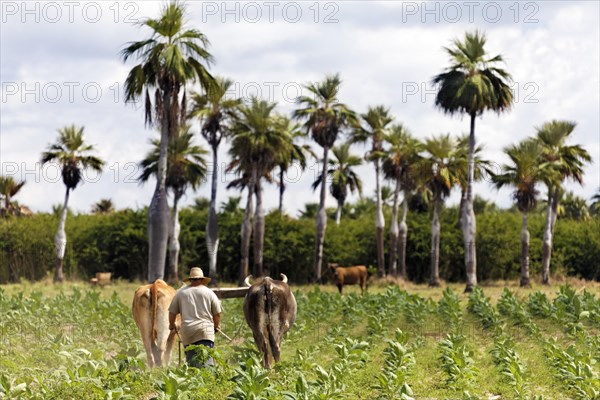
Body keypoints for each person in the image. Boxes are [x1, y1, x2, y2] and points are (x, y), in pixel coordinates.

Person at [169, 267, 223, 367]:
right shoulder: (210, 293)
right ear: (202, 280)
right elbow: (217, 314)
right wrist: (215, 326)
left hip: (188, 332)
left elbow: (172, 313)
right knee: (207, 364)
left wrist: (172, 325)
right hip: (206, 331)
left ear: (190, 280)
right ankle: (207, 381)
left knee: (192, 364)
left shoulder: (181, 293)